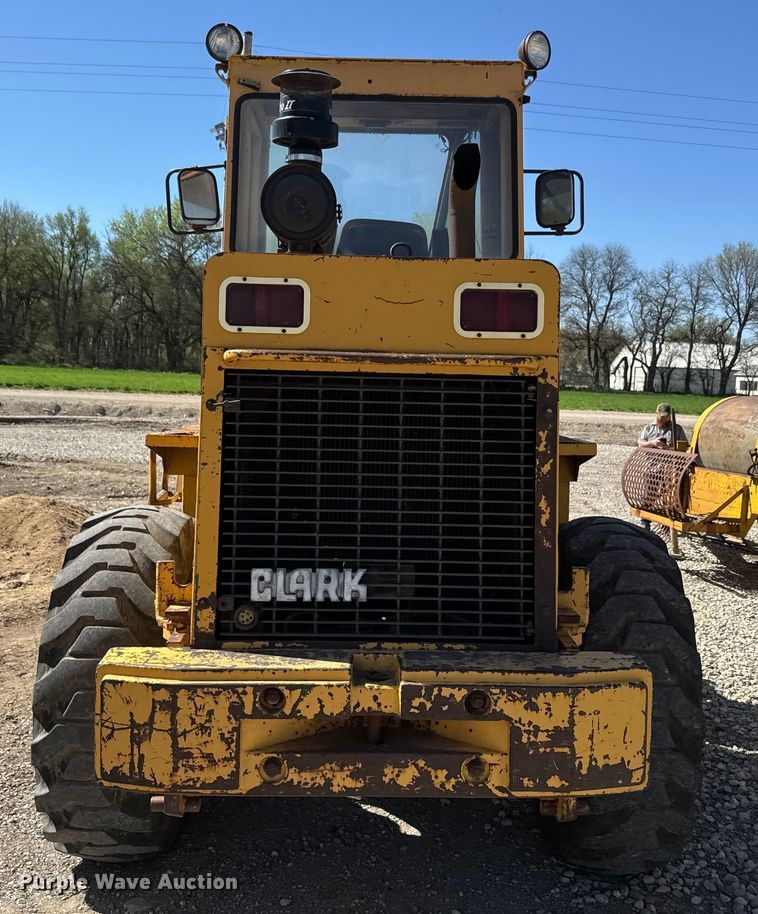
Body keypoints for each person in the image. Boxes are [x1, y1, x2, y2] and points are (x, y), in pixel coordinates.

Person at [637, 403, 689, 530]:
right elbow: (640, 443)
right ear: (657, 414)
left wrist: (669, 447)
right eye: (662, 417)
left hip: (670, 469)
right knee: (650, 494)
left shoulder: (677, 429)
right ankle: (645, 520)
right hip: (652, 467)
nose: (664, 419)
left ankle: (667, 522)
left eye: (667, 417)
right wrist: (653, 443)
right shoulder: (649, 428)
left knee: (670, 496)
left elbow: (684, 446)